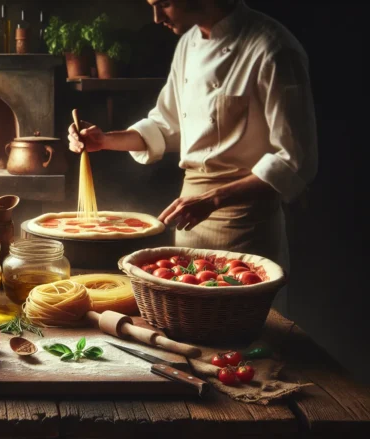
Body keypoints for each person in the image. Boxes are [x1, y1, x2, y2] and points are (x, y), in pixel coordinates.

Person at [68, 0, 317, 312]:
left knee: (239, 327)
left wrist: (214, 199)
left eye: (164, 4)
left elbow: (294, 161)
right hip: (189, 221)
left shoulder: (272, 48)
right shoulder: (188, 44)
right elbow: (166, 125)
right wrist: (105, 140)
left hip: (245, 226)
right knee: (187, 320)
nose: (156, 17)